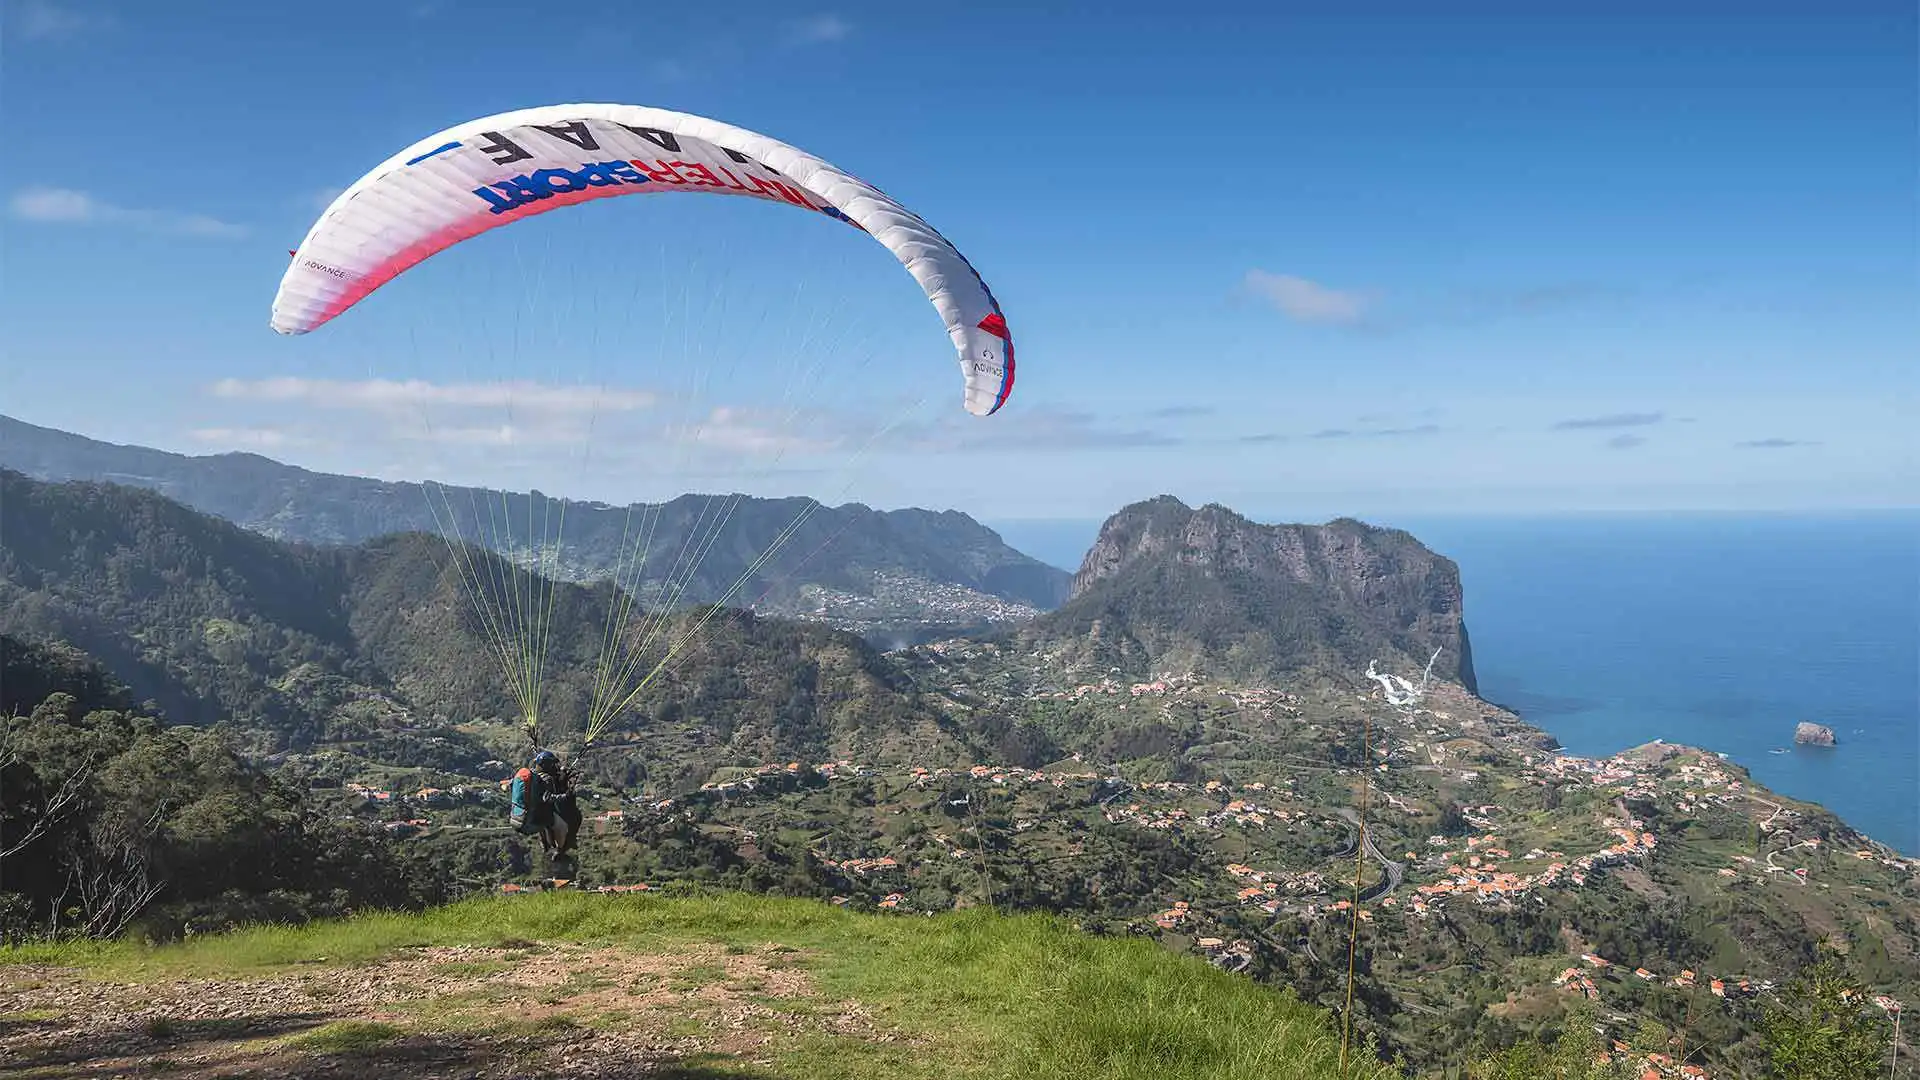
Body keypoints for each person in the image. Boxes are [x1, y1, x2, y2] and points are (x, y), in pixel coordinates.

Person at [510, 749, 582, 866]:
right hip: (529, 823)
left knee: (544, 814)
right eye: (553, 765)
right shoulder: (546, 779)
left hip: (516, 819)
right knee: (561, 825)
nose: (555, 767)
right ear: (548, 766)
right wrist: (565, 796)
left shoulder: (532, 776)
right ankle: (560, 851)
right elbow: (548, 798)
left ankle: (545, 844)